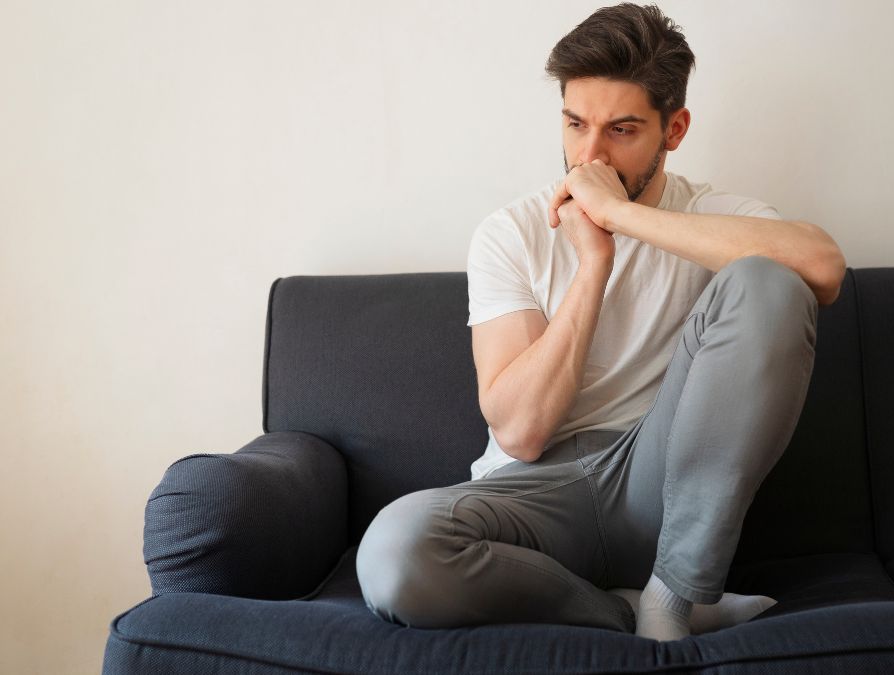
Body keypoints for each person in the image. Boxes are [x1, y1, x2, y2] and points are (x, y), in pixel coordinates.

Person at [356, 2, 846, 642]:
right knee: (394, 553)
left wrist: (622, 215)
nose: (589, 156)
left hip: (660, 487)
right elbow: (523, 431)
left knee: (768, 280)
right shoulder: (510, 233)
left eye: (621, 130)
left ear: (674, 131)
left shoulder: (711, 217)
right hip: (532, 500)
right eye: (575, 124)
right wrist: (594, 262)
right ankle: (624, 609)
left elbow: (823, 268)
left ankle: (671, 600)